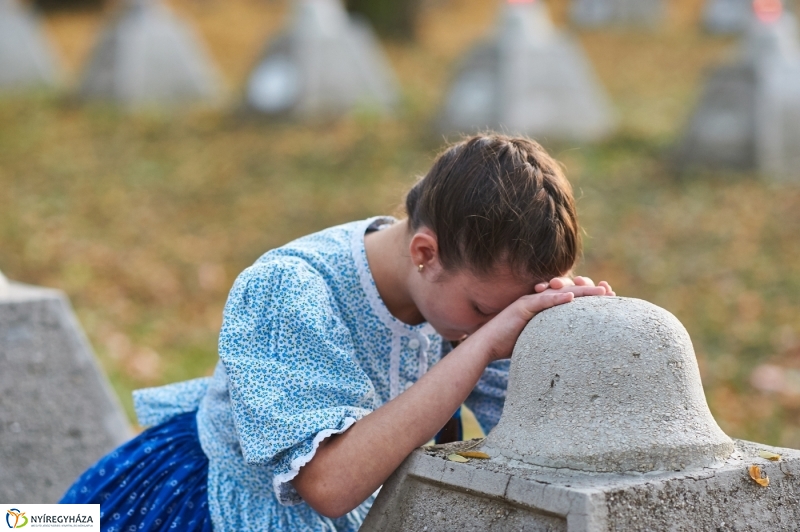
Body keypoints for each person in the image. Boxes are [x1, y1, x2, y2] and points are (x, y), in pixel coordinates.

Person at [61, 134, 614, 531]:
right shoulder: (287, 290)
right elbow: (327, 486)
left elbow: (544, 444)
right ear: (426, 253)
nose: (493, 328)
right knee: (32, 523)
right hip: (203, 506)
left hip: (372, 512)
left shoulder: (465, 292)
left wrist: (567, 339)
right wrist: (483, 347)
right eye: (482, 310)